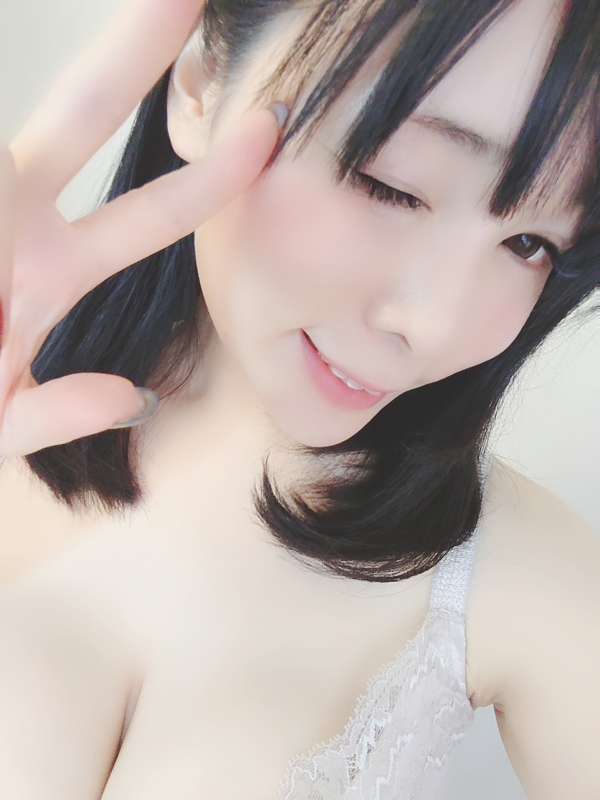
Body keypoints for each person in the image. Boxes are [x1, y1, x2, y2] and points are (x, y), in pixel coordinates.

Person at [0, 0, 599, 797]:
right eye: (393, 185)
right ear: (203, 84)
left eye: (530, 245)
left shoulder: (524, 578)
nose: (436, 324)